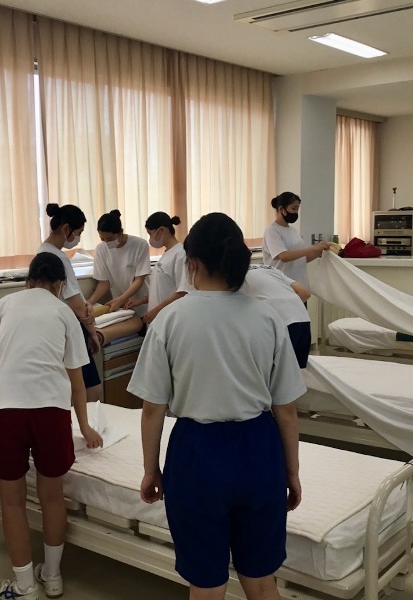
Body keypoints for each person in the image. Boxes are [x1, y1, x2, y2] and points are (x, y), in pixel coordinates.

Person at [128, 213, 306, 600]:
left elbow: (152, 408)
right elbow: (286, 409)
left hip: (197, 456)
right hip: (259, 451)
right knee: (261, 580)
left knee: (207, 585)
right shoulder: (268, 318)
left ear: (191, 263)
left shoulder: (169, 321)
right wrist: (291, 472)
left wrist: (150, 469)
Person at [0, 252, 103, 600]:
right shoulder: (65, 312)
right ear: (60, 284)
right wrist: (84, 426)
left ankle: (24, 586)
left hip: (7, 410)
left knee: (12, 502)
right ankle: (52, 577)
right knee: (52, 497)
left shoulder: (2, 306)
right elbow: (77, 382)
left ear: (28, 279)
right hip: (51, 411)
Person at [38, 203, 103, 404]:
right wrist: (93, 333)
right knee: (91, 390)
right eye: (78, 233)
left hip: (55, 327)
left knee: (73, 387)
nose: (78, 238)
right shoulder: (57, 258)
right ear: (66, 229)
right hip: (70, 326)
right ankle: (86, 422)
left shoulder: (43, 253)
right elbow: (76, 305)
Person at [125, 212, 190, 325]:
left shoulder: (180, 254)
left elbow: (182, 292)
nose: (150, 238)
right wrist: (139, 301)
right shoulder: (167, 254)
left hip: (169, 319)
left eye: (150, 233)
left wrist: (156, 311)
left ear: (161, 230)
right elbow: (162, 291)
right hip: (158, 319)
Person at [241, 266, 312, 368]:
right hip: (302, 318)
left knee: (272, 371)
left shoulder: (234, 274)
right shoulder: (269, 268)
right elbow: (305, 293)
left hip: (279, 324)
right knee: (297, 371)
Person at [87, 209, 150, 317]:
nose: (106, 242)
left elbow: (139, 280)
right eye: (102, 239)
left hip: (141, 302)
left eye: (110, 238)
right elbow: (104, 283)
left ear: (121, 232)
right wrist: (89, 302)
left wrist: (121, 299)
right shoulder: (101, 249)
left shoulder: (140, 245)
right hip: (120, 306)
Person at [262, 191, 330, 288]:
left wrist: (319, 251)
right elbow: (284, 256)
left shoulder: (293, 230)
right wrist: (314, 248)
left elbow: (302, 259)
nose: (296, 212)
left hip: (300, 285)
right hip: (282, 286)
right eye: (293, 208)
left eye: (297, 209)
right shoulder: (272, 230)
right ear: (281, 209)